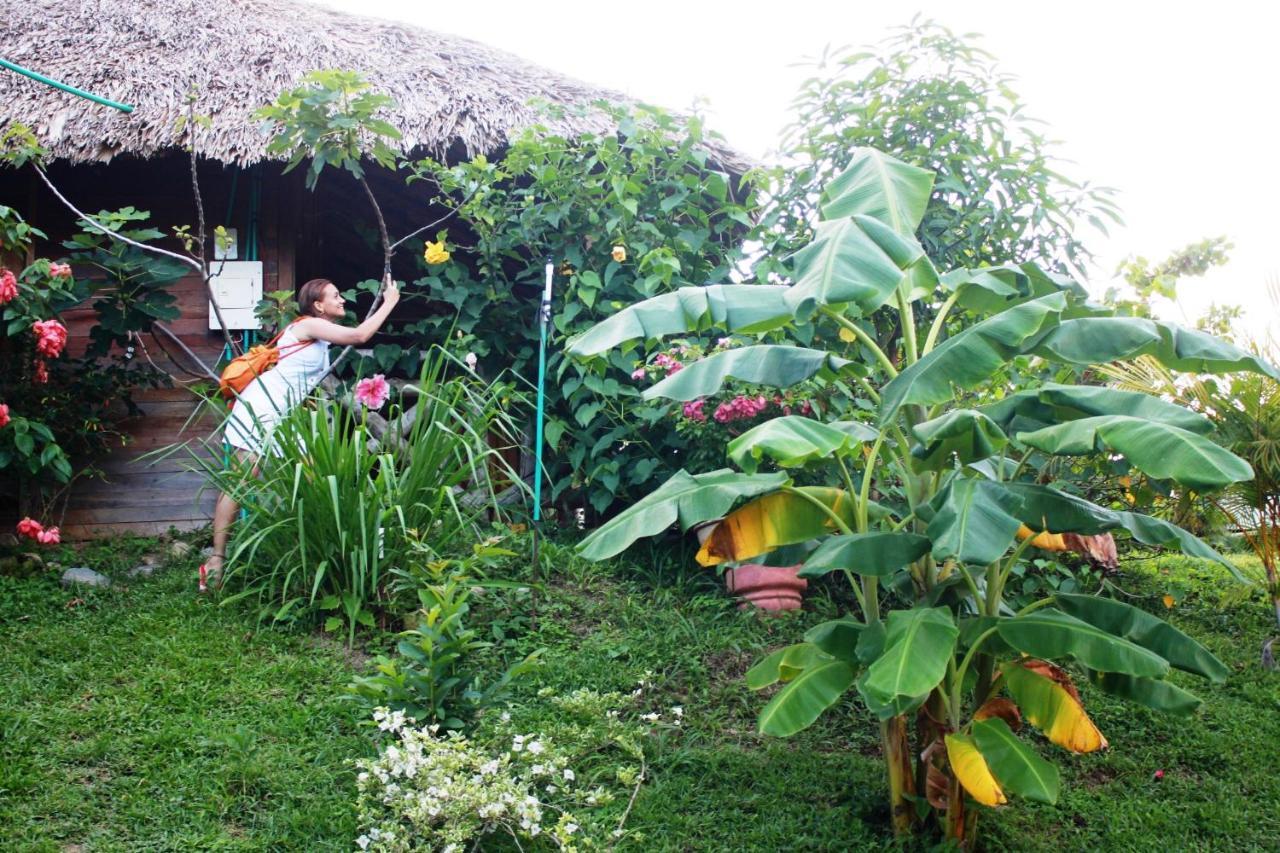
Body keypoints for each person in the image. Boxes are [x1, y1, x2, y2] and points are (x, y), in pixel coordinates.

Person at [201, 274, 401, 591]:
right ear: (318, 305)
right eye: (335, 296)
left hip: (283, 417)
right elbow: (361, 335)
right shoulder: (308, 324)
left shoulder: (316, 335)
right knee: (242, 481)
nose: (342, 300)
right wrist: (389, 301)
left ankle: (320, 555)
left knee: (315, 480)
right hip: (261, 410)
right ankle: (216, 560)